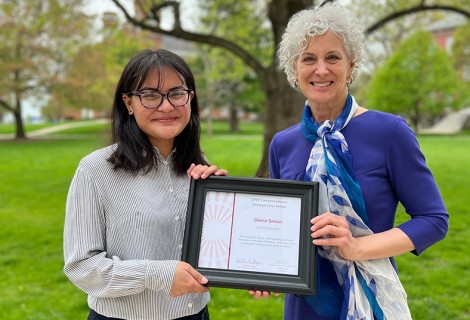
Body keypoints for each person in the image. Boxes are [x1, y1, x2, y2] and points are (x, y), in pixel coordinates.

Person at [266, 3, 449, 320]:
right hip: (304, 307)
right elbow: (279, 231)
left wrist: (357, 248)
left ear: (351, 66)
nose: (321, 69)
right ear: (294, 70)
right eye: (308, 59)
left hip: (371, 301)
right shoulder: (282, 144)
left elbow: (433, 220)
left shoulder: (390, 132)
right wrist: (262, 270)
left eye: (332, 57)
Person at [63, 49, 227, 320]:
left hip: (196, 314)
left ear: (191, 98)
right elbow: (82, 267)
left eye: (176, 93)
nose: (166, 106)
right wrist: (157, 275)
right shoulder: (95, 170)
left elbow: (213, 251)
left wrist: (224, 206)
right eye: (150, 95)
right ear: (128, 102)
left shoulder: (199, 169)